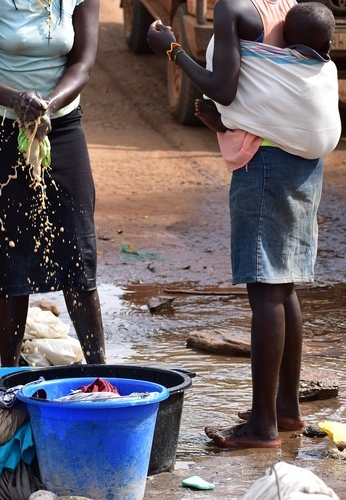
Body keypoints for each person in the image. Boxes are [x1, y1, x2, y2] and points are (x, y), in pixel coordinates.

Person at [147, 0, 336, 448]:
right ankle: (285, 410)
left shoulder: (235, 8)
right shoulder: (289, 7)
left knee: (266, 291)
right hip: (302, 162)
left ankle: (262, 426)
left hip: (266, 163)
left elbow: (226, 88)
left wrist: (172, 50)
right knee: (284, 287)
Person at [0, 0, 106, 367]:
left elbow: (82, 64)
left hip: (61, 124)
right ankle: (11, 373)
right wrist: (16, 100)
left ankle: (102, 372)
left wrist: (47, 106)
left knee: (78, 247)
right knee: (11, 250)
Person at [194, 1, 339, 161]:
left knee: (263, 100)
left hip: (266, 157)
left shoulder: (232, 7)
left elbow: (223, 92)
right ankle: (227, 122)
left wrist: (173, 50)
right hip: (313, 164)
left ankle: (227, 123)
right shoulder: (291, 4)